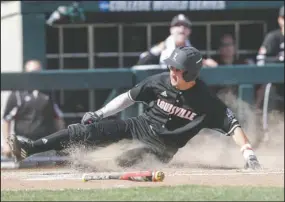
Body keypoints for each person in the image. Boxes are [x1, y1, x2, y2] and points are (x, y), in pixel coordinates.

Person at [8, 47, 261, 170]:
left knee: (128, 157)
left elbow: (233, 125)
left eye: (177, 68)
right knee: (80, 131)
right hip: (136, 126)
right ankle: (29, 148)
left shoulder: (205, 100)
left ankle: (90, 166)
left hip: (159, 149)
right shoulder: (160, 81)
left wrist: (248, 153)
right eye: (171, 67)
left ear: (191, 71)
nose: (172, 71)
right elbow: (128, 98)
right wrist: (99, 114)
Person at [2, 60, 65, 158]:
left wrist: (60, 140)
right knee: (23, 170)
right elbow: (6, 120)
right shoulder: (17, 94)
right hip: (23, 140)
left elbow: (58, 118)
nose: (35, 76)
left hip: (44, 141)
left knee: (46, 168)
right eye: (32, 73)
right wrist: (6, 144)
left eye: (37, 73)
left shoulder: (49, 92)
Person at [255, 5, 284, 111]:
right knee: (273, 119)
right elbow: (260, 60)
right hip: (275, 85)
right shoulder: (273, 37)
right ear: (280, 20)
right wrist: (279, 60)